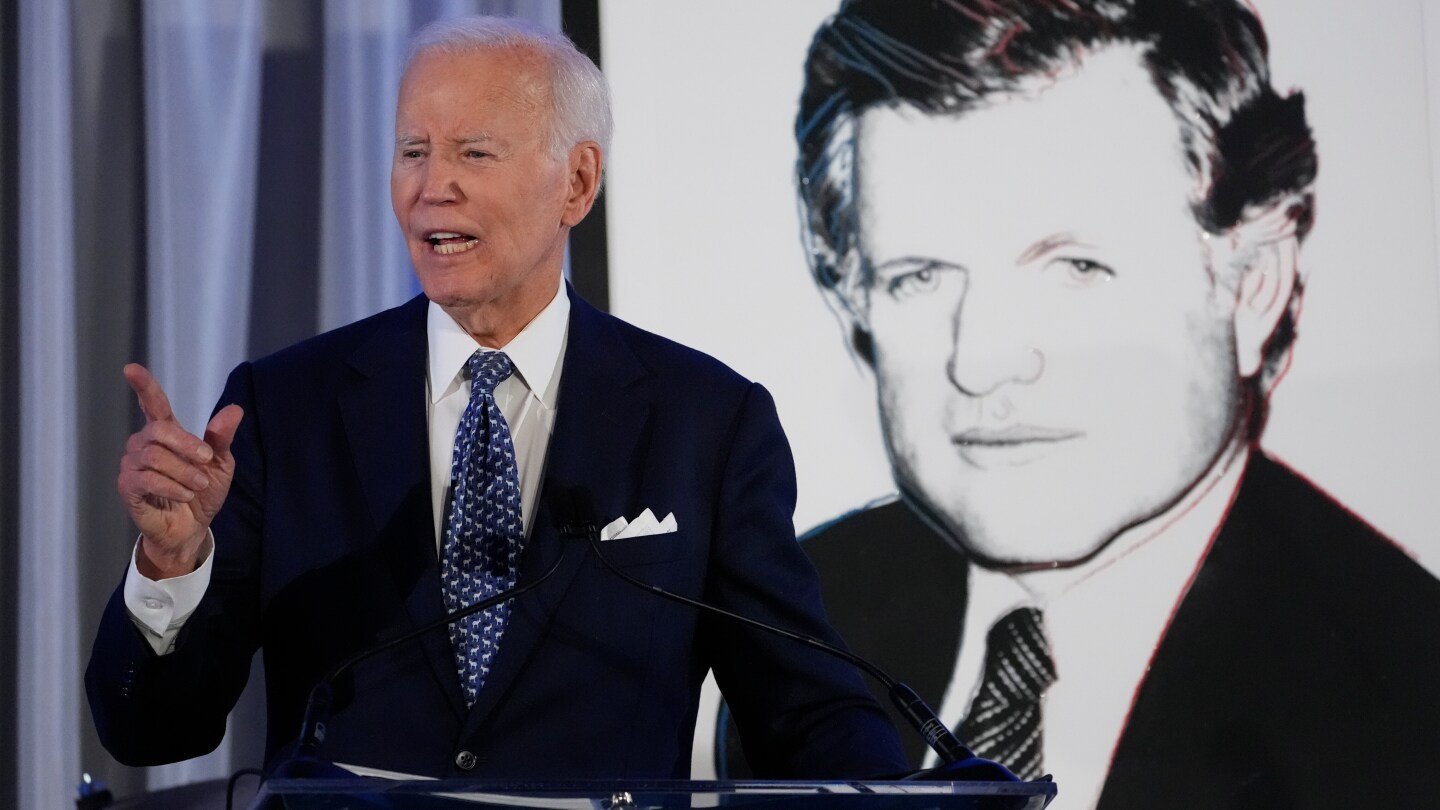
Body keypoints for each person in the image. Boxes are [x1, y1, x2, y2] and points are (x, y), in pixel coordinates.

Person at [86, 16, 906, 781]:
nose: (432, 187)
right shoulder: (284, 409)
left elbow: (806, 710)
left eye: (474, 153)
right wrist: (172, 565)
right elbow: (154, 731)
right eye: (413, 151)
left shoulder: (706, 423)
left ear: (577, 183)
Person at [718, 0, 1440, 805]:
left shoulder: (1404, 684)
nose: (980, 359)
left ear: (1251, 288)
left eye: (1076, 268)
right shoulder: (802, 622)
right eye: (918, 276)